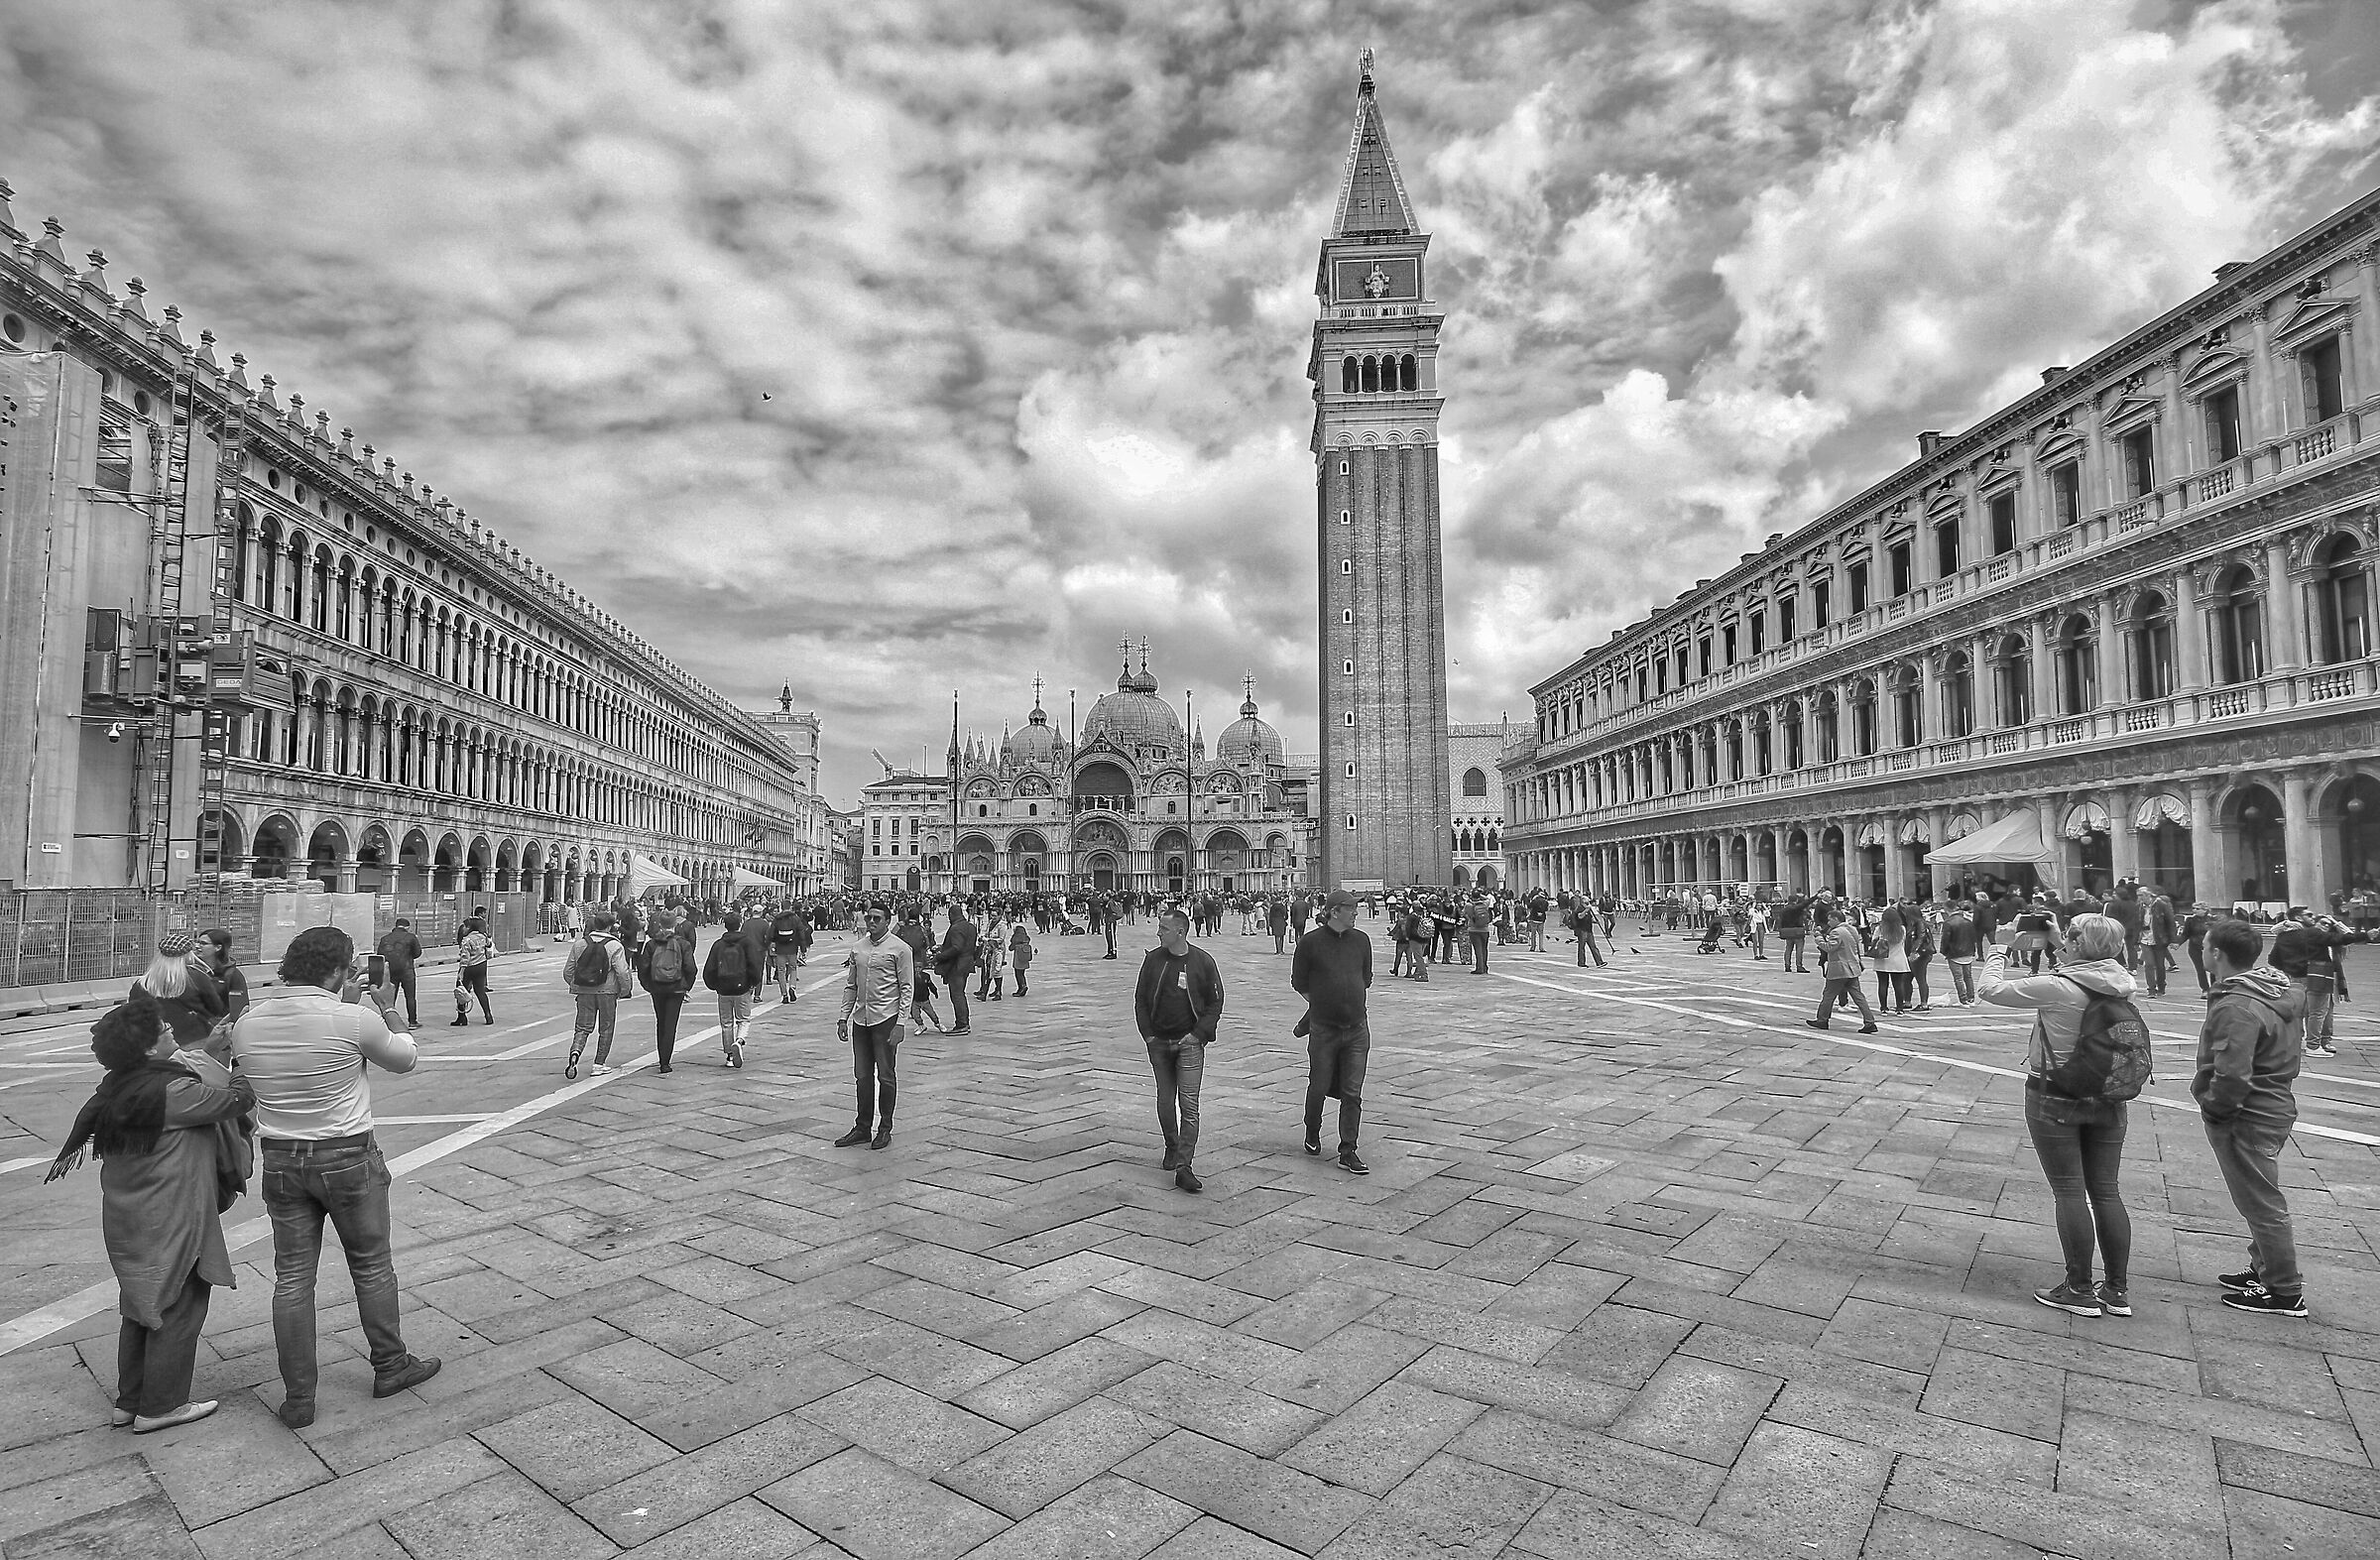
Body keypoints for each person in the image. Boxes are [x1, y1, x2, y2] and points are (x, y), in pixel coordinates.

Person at [229, 926, 439, 1427]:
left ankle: (299, 1396)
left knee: (293, 1278)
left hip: (281, 1160)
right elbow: (405, 1059)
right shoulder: (353, 1019)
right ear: (341, 970)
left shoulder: (248, 1022)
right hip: (346, 1156)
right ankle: (390, 1364)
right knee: (371, 1266)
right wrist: (386, 1005)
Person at [45, 989, 254, 1433]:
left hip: (128, 1216)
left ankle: (130, 1400)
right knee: (179, 1305)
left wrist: (207, 1051)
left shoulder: (118, 1087)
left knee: (140, 1305)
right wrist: (243, 1058)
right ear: (145, 1047)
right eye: (162, 1030)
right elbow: (237, 1100)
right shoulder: (173, 1091)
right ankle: (162, 1406)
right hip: (172, 1215)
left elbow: (185, 1072)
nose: (171, 1029)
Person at [1976, 914, 2138, 1318]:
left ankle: (2079, 1288)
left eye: (2070, 936)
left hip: (2055, 1095)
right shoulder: (2122, 981)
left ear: (2079, 944)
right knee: (2106, 1191)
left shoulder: (2057, 988)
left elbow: (1990, 990)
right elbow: (2084, 966)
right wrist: (2057, 940)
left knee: (2069, 1191)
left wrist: (1999, 946)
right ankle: (2116, 1290)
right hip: (2107, 1096)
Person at [2195, 917, 2312, 1316]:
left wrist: (2214, 1107)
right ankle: (2264, 1269)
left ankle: (2284, 1290)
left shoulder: (2238, 1006)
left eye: (2206, 945)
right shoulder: (2276, 990)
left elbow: (2232, 1072)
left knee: (2261, 1203)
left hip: (2249, 1112)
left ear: (2216, 954)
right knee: (2260, 1197)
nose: (2202, 950)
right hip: (2274, 1104)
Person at [1135, 905, 1223, 1193]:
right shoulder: (1153, 961)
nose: (1158, 932)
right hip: (1158, 1042)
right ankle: (1171, 1145)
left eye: (1163, 928)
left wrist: (1198, 1035)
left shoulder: (1203, 961)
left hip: (1190, 1044)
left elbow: (1215, 1001)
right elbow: (1140, 1000)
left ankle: (1185, 1165)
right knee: (1165, 1099)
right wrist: (1148, 1036)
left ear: (1180, 932)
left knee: (1189, 1105)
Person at [1292, 890, 1374, 1174]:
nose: (1356, 913)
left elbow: (1366, 977)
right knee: (1318, 1085)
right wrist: (1322, 1002)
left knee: (1353, 1092)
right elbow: (1298, 980)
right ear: (1334, 911)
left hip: (1356, 1028)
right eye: (1351, 909)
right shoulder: (1310, 943)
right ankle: (1312, 1129)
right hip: (1324, 1028)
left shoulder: (1361, 940)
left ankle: (1348, 1150)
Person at [837, 904, 914, 1149]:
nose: (871, 922)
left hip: (886, 1019)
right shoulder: (858, 948)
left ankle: (885, 1128)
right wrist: (843, 1017)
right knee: (861, 1076)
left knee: (886, 1075)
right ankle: (862, 1127)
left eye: (877, 919)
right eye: (869, 918)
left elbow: (906, 988)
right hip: (861, 1019)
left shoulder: (901, 949)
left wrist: (901, 1023)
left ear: (887, 921)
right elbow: (851, 985)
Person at [562, 909, 635, 1079]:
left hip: (584, 992)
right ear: (609, 927)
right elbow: (622, 972)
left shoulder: (580, 944)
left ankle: (575, 1053)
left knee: (582, 1027)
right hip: (607, 992)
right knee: (606, 1028)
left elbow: (568, 971)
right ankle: (598, 1064)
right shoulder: (615, 945)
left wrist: (576, 986)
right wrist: (624, 991)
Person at [133, 931, 228, 1047]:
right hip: (194, 1039)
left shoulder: (142, 984)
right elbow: (216, 1008)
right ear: (187, 955)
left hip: (156, 1042)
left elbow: (134, 1014)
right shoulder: (196, 977)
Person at [638, 911, 698, 1073]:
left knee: (661, 1022)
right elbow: (691, 968)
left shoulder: (651, 944)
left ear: (660, 925)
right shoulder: (683, 944)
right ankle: (665, 1062)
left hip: (657, 988)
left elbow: (642, 968)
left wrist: (649, 986)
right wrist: (686, 986)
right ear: (675, 925)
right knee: (671, 1024)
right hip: (676, 989)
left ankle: (662, 1057)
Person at [703, 910, 764, 1068]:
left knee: (726, 1023)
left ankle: (729, 1056)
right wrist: (753, 983)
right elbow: (754, 965)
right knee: (743, 1019)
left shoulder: (718, 944)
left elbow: (709, 969)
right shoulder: (747, 942)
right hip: (742, 987)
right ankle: (739, 1041)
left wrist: (714, 985)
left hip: (723, 988)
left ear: (725, 925)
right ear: (739, 924)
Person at [1807, 907, 1879, 1031]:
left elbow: (1829, 947)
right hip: (1852, 967)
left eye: (1830, 920)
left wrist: (1818, 937)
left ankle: (1822, 1020)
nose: (1828, 923)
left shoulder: (1837, 932)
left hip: (1839, 968)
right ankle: (1869, 1021)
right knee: (1858, 996)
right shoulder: (1852, 929)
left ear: (1836, 919)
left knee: (1828, 995)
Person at [896, 906, 944, 1032]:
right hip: (917, 959)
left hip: (903, 960)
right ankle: (918, 1007)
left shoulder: (901, 928)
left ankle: (910, 1007)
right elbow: (927, 944)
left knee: (905, 983)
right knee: (917, 982)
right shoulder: (921, 929)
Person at [936, 904, 979, 1032]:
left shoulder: (956, 928)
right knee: (960, 993)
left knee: (957, 994)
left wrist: (940, 956)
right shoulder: (971, 926)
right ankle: (964, 1022)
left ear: (951, 915)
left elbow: (957, 947)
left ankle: (962, 1024)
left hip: (957, 965)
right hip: (967, 963)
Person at [376, 918, 422, 1027]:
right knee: (410, 996)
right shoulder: (411, 937)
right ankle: (412, 1021)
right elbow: (417, 953)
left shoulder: (385, 939)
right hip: (407, 970)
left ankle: (388, 1021)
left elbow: (380, 955)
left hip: (391, 971)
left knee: (390, 997)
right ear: (407, 927)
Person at [198, 929, 249, 1025]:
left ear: (218, 947)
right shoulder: (193, 970)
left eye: (203, 943)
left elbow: (238, 1011)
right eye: (197, 942)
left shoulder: (233, 975)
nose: (197, 946)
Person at [451, 915, 494, 1026]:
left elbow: (465, 958)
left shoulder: (467, 940)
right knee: (480, 991)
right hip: (481, 965)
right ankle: (488, 1015)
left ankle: (462, 1017)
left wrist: (461, 972)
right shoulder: (482, 937)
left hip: (470, 967)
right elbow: (489, 944)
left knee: (461, 991)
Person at [1940, 900, 1981, 1006]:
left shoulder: (1948, 923)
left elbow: (1945, 939)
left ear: (1946, 909)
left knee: (1958, 978)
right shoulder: (1968, 922)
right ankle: (1971, 998)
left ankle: (1963, 999)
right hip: (1968, 952)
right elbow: (1973, 938)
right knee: (1968, 977)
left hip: (1954, 953)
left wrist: (1944, 951)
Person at [770, 902, 807, 1004]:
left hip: (780, 948)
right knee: (793, 968)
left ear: (781, 907)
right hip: (792, 948)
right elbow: (801, 933)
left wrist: (769, 944)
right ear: (791, 907)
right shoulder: (795, 918)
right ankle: (792, 987)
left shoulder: (777, 919)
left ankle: (784, 995)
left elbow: (770, 933)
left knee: (781, 971)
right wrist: (803, 948)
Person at [1466, 895, 1494, 974]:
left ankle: (1479, 968)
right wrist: (1480, 895)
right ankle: (1485, 967)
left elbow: (1464, 914)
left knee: (1478, 949)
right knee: (1484, 949)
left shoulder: (1469, 905)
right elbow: (1488, 898)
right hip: (1485, 929)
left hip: (1473, 929)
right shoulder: (1485, 904)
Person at [1010, 918, 1034, 996]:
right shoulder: (1026, 939)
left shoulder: (1016, 938)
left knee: (1018, 974)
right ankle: (1022, 987)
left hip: (1018, 958)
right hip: (1025, 959)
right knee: (1022, 974)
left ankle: (1022, 987)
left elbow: (1010, 948)